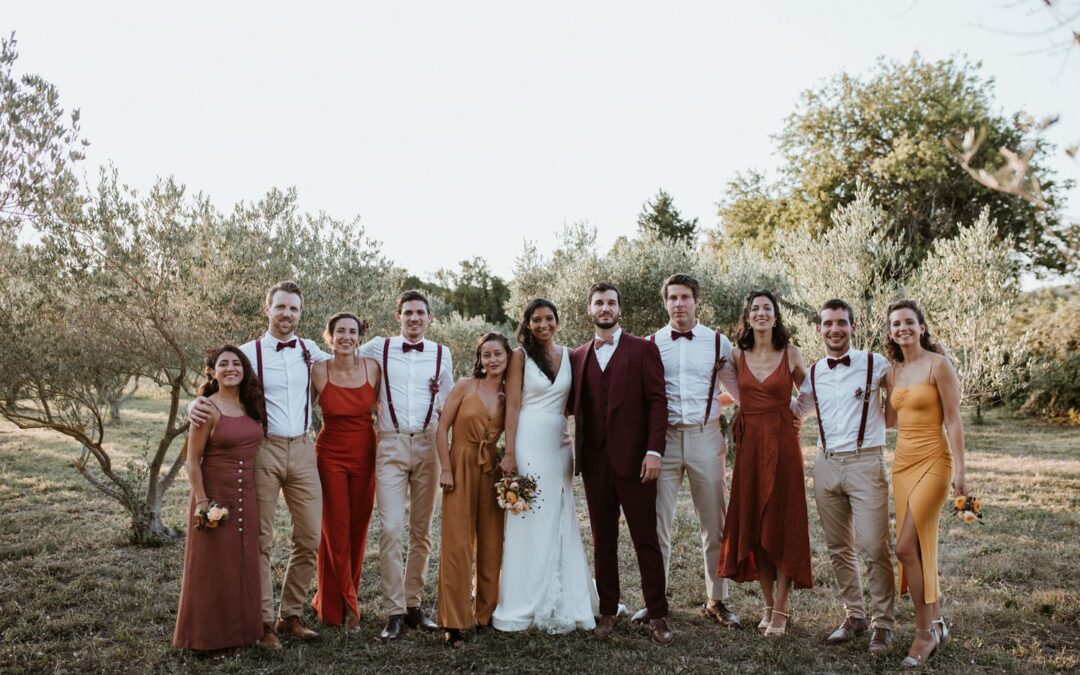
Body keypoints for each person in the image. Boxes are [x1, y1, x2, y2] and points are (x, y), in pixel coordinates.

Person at [188, 280, 330, 649]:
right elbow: (220, 382)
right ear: (266, 309)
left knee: (310, 535)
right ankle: (264, 621)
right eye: (280, 307)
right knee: (261, 538)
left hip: (302, 449)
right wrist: (194, 404)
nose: (287, 314)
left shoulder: (310, 350)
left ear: (301, 313)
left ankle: (291, 614)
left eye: (294, 309)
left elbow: (347, 360)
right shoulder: (248, 353)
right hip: (263, 451)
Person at [569, 282, 673, 645]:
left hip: (637, 462)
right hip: (596, 464)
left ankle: (658, 614)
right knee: (603, 541)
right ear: (589, 310)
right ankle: (608, 611)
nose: (605, 308)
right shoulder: (578, 356)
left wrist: (654, 451)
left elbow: (658, 402)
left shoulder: (643, 350)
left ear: (619, 309)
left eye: (611, 302)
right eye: (599, 302)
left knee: (646, 539)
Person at [638, 273, 741, 628]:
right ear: (665, 302)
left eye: (685, 297)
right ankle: (655, 601)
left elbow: (738, 390)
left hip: (705, 437)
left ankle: (718, 600)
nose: (679, 304)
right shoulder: (650, 344)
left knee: (714, 522)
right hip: (662, 442)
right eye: (673, 298)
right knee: (656, 522)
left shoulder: (718, 343)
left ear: (696, 300)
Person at [796, 299, 896, 653]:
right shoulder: (813, 372)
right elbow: (798, 410)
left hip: (866, 462)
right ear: (819, 329)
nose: (834, 329)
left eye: (841, 322)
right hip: (825, 463)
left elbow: (909, 381)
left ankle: (883, 624)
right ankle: (854, 615)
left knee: (874, 546)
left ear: (853, 327)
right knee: (839, 547)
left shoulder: (876, 363)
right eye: (828, 323)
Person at [493, 300, 597, 634]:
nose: (543, 325)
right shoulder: (520, 357)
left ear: (557, 321)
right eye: (536, 319)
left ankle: (567, 595)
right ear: (527, 323)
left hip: (558, 443)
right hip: (527, 440)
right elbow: (511, 406)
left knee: (560, 513)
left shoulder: (570, 354)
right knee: (529, 516)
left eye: (548, 318)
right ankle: (526, 598)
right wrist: (509, 453)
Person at [356, 290, 455, 641]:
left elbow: (450, 401)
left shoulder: (442, 353)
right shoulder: (378, 348)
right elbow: (340, 353)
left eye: (420, 313)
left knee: (421, 531)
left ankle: (414, 606)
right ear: (397, 316)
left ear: (430, 318)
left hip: (429, 443)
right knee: (390, 530)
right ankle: (393, 611)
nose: (414, 319)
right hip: (391, 443)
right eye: (408, 313)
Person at [718, 289, 811, 638]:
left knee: (782, 521)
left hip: (783, 444)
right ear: (748, 316)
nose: (761, 313)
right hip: (750, 446)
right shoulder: (736, 356)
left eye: (767, 308)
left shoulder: (791, 353)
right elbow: (731, 390)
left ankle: (783, 608)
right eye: (755, 308)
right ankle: (768, 604)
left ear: (776, 316)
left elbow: (811, 390)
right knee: (756, 522)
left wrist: (794, 413)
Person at [883, 299, 966, 668]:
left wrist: (962, 472)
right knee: (917, 547)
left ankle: (923, 633)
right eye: (896, 324)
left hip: (935, 460)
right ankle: (935, 622)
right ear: (890, 332)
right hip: (902, 465)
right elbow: (888, 420)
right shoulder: (893, 372)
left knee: (903, 547)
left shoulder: (938, 365)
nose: (903, 328)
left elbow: (953, 420)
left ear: (921, 327)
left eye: (908, 322)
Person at [174, 345, 266, 653]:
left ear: (244, 370)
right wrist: (202, 502)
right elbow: (192, 461)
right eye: (223, 364)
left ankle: (242, 632)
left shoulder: (250, 404)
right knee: (211, 566)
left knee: (242, 563)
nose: (230, 368)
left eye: (236, 363)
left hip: (247, 496)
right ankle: (206, 638)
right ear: (212, 372)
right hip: (214, 495)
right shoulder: (206, 409)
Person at [436, 332, 511, 647]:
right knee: (457, 543)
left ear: (508, 358)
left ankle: (485, 614)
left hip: (491, 469)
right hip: (461, 463)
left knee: (492, 542)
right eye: (486, 354)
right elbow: (442, 429)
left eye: (498, 354)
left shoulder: (510, 395)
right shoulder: (465, 386)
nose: (492, 360)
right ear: (479, 359)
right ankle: (453, 622)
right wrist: (446, 468)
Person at [310, 312, 379, 630]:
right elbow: (299, 406)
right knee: (334, 529)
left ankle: (334, 597)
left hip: (366, 454)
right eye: (340, 331)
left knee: (357, 528)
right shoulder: (318, 370)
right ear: (329, 336)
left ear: (360, 337)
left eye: (352, 331)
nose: (346, 337)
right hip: (330, 456)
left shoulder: (373, 369)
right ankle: (347, 606)